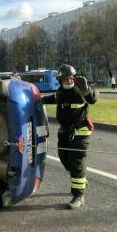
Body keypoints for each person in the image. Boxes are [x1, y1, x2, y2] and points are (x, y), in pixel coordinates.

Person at [42, 64, 99, 210]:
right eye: (64, 79)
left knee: (76, 163)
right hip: (64, 132)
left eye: (69, 78)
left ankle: (79, 195)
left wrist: (87, 92)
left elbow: (93, 98)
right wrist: (39, 99)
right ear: (60, 80)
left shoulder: (81, 89)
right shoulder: (61, 91)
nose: (67, 81)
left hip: (80, 133)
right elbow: (54, 98)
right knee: (64, 158)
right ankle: (79, 177)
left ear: (73, 78)